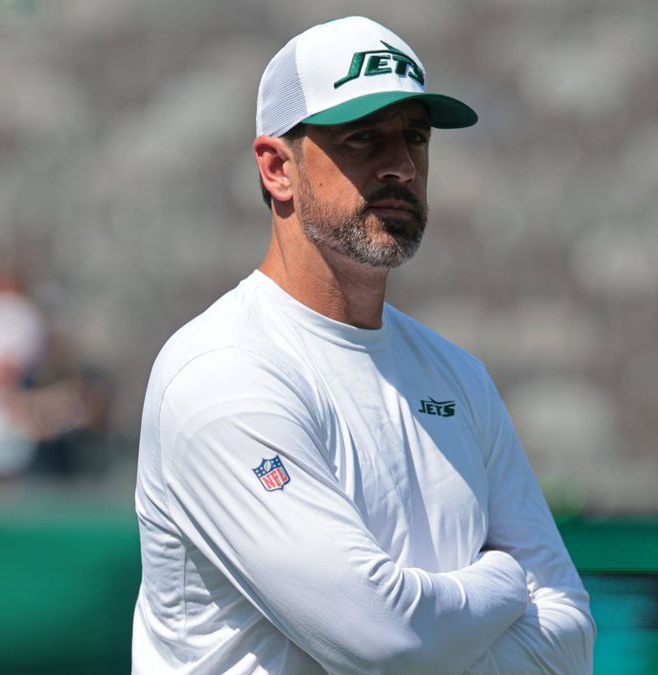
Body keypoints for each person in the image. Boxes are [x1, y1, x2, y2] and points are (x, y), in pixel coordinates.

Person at [131, 16, 595, 674]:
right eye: (362, 138)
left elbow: (570, 639)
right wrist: (503, 584)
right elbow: (386, 641)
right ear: (276, 168)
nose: (401, 167)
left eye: (415, 137)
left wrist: (433, 631)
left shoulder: (458, 376)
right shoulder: (221, 373)